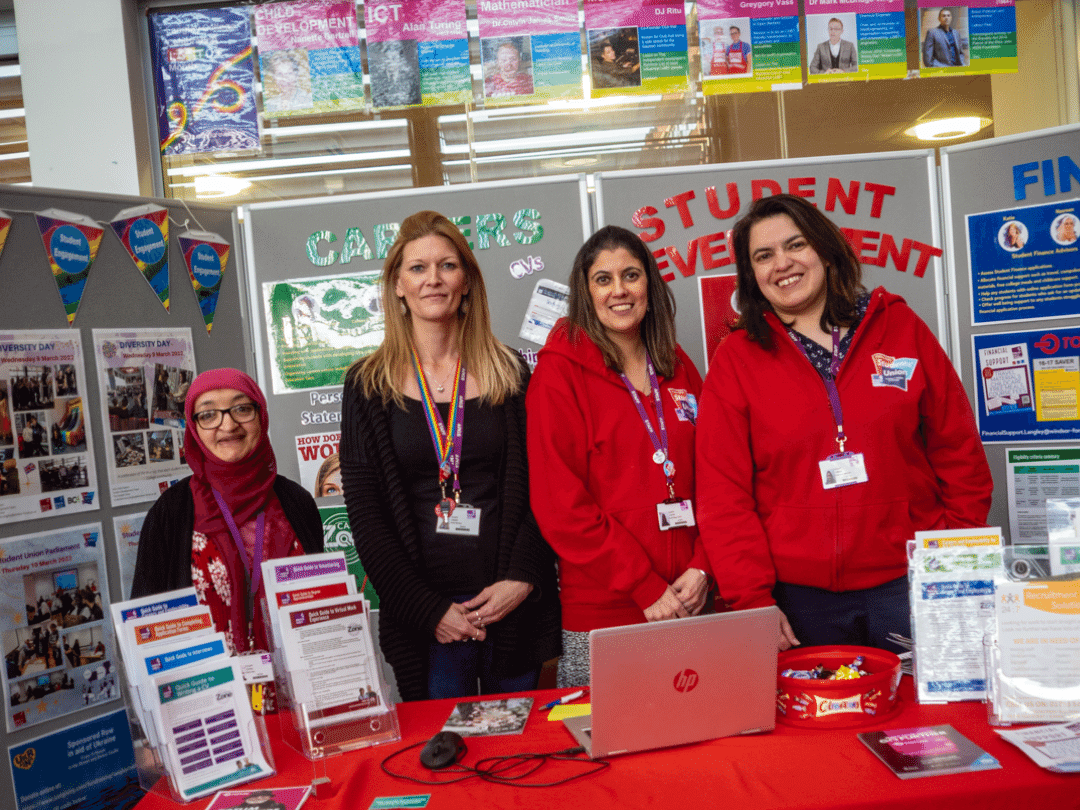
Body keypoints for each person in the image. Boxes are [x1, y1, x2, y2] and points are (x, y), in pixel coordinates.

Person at [696, 194, 993, 654]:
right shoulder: (737, 358)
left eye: (795, 245)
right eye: (763, 255)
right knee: (813, 727)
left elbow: (958, 450)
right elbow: (723, 495)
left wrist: (952, 558)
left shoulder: (898, 326)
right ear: (751, 275)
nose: (782, 264)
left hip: (910, 584)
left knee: (930, 721)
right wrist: (751, 599)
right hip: (797, 602)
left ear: (826, 249)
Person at [339, 210, 560, 702]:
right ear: (397, 284)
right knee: (445, 766)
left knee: (519, 759)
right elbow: (366, 517)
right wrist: (427, 610)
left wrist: (522, 579)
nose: (432, 279)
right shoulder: (365, 387)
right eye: (417, 268)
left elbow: (547, 487)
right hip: (427, 623)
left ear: (467, 282)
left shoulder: (511, 376)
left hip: (511, 610)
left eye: (447, 266)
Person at [527, 226, 711, 688]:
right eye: (603, 279)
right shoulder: (559, 373)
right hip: (607, 610)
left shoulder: (677, 364)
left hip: (695, 598)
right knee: (613, 755)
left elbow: (719, 477)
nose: (619, 290)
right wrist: (644, 587)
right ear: (586, 293)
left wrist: (704, 565)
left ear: (649, 282)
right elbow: (560, 505)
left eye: (630, 275)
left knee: (704, 749)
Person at [131, 368, 323, 653]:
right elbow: (148, 624)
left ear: (261, 416)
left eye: (242, 408)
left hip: (299, 687)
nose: (228, 424)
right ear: (193, 428)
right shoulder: (169, 513)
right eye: (208, 414)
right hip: (209, 689)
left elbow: (321, 600)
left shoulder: (297, 501)